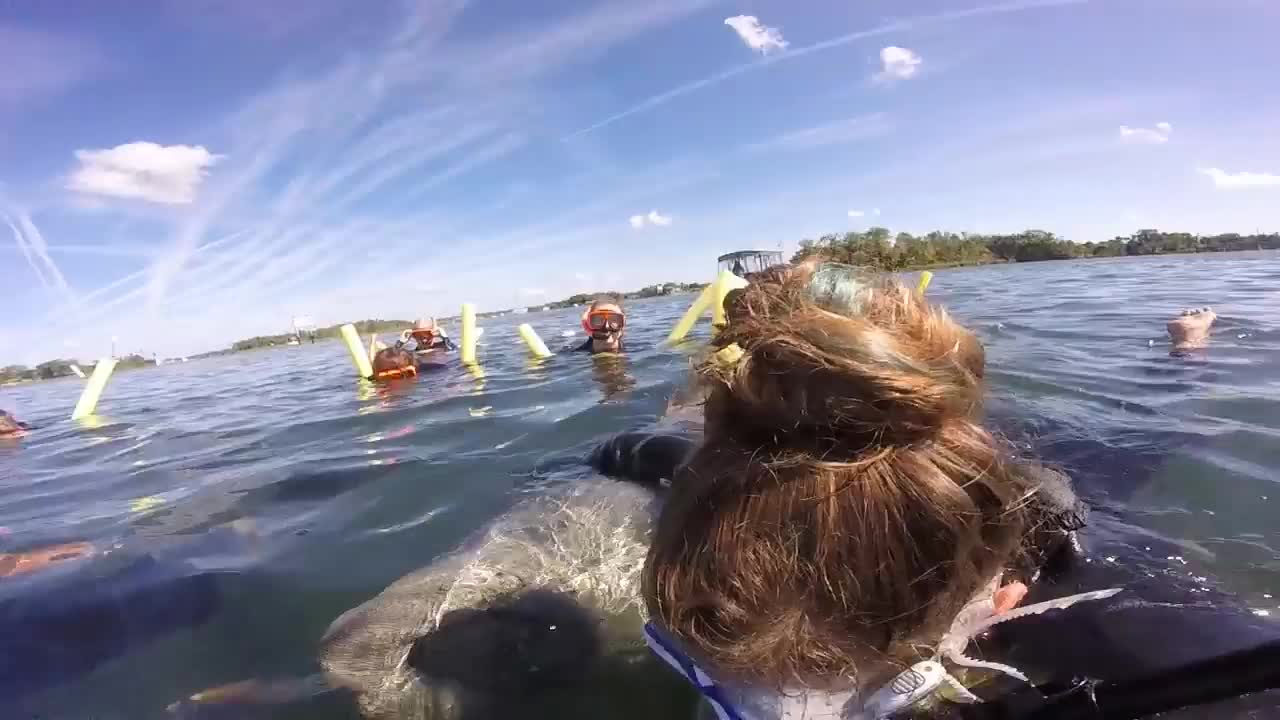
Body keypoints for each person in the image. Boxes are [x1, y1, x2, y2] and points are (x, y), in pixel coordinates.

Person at [594, 262, 1279, 719]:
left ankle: (1188, 347)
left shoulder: (1134, 640)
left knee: (1160, 422)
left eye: (877, 695)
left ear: (997, 601)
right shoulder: (716, 471)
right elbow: (632, 452)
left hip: (1065, 498)